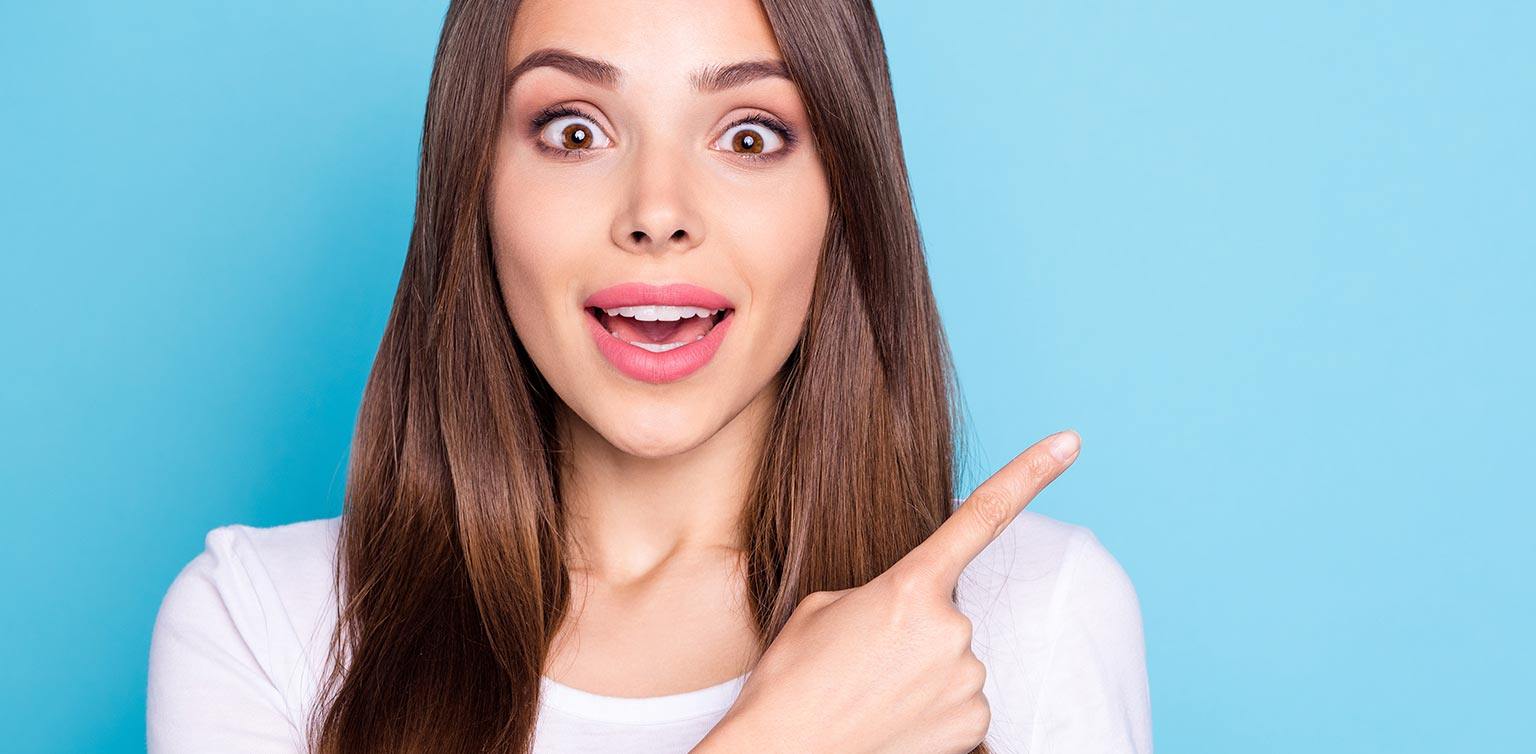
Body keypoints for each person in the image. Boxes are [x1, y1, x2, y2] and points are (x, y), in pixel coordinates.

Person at [146, 0, 1152, 752]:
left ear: (841, 200)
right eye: (574, 130)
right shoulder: (267, 625)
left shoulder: (1032, 616)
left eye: (751, 135)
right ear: (476, 186)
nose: (658, 208)